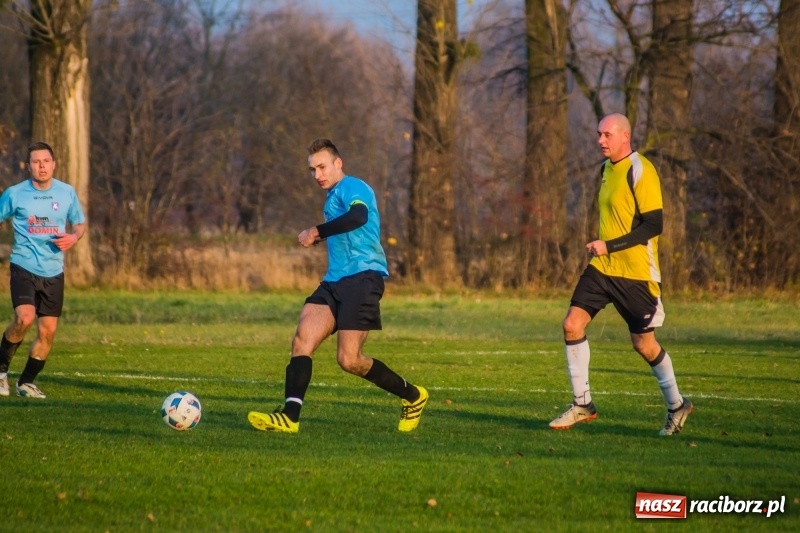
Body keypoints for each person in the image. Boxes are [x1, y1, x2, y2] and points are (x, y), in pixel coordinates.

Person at [248, 138, 428, 433]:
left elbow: (359, 216)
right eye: (312, 170)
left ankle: (413, 396)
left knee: (349, 360)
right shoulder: (331, 199)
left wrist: (317, 230)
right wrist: (323, 234)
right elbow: (344, 225)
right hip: (333, 282)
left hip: (363, 278)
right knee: (301, 341)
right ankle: (289, 418)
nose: (317, 175)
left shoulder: (353, 187)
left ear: (338, 164)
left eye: (322, 167)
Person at [549, 114, 693, 436]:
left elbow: (654, 226)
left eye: (607, 134)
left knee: (644, 344)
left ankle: (677, 405)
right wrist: (605, 251)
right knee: (572, 324)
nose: (601, 140)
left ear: (625, 137)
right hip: (603, 269)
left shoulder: (642, 170)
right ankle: (582, 403)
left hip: (636, 274)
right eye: (598, 133)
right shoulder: (606, 170)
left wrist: (610, 245)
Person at [0, 141, 86, 399]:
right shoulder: (15, 193)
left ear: (53, 164)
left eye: (45, 161)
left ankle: (26, 383)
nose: (41, 166)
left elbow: (79, 224)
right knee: (24, 318)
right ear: (29, 167)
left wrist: (74, 237)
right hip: (23, 265)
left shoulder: (66, 192)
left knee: (47, 332)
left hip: (53, 271)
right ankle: (1, 373)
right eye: (36, 162)